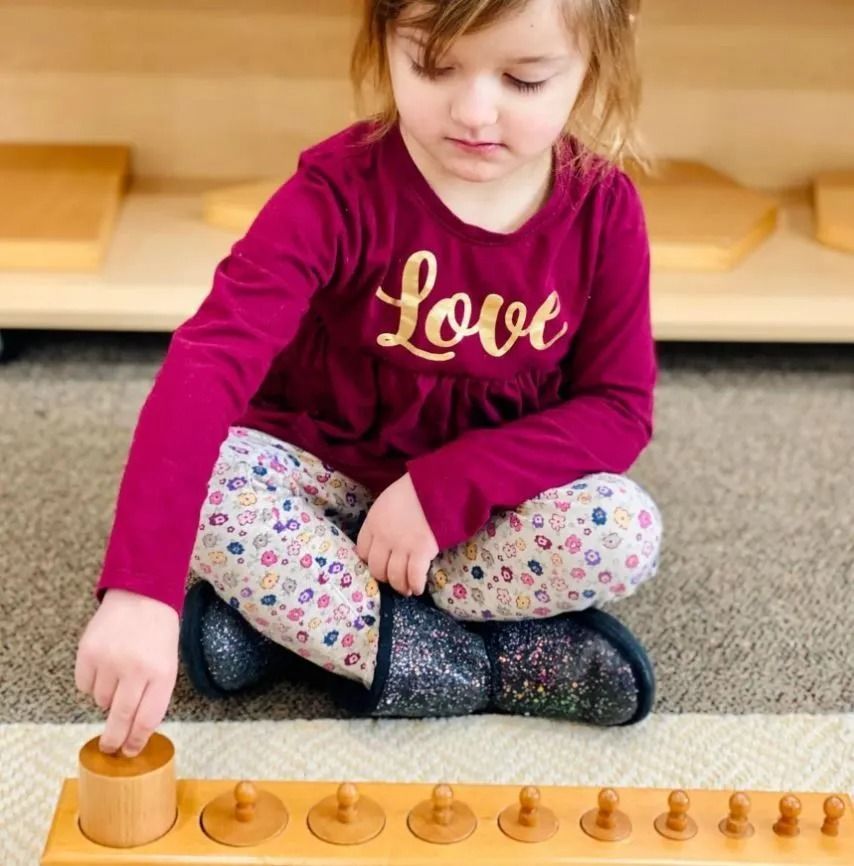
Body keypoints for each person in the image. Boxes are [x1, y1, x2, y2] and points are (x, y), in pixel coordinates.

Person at [76, 0, 662, 759]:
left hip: (469, 521)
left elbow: (617, 410)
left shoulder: (603, 212)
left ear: (594, 66)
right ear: (383, 39)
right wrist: (141, 590)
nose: (475, 112)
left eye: (524, 79)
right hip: (318, 482)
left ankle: (295, 632)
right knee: (215, 487)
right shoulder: (336, 190)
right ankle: (487, 663)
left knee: (623, 531)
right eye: (432, 66)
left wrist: (444, 489)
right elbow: (209, 362)